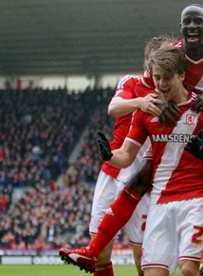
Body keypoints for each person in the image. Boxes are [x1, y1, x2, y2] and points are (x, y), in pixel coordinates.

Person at [59, 4, 203, 276]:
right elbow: (148, 90)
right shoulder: (157, 77)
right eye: (187, 22)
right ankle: (93, 249)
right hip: (165, 147)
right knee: (141, 177)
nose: (159, 81)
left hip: (201, 126)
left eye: (198, 22)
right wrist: (156, 103)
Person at [92, 46, 203, 275]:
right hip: (158, 203)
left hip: (193, 201)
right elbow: (126, 156)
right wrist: (110, 156)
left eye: (167, 77)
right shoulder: (147, 109)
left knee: (188, 270)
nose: (161, 83)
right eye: (157, 77)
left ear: (182, 76)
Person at [63, 35, 175, 276]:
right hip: (115, 167)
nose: (172, 58)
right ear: (150, 59)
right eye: (167, 54)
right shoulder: (132, 82)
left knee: (143, 258)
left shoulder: (170, 88)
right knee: (101, 253)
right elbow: (113, 109)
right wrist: (140, 102)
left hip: (146, 177)